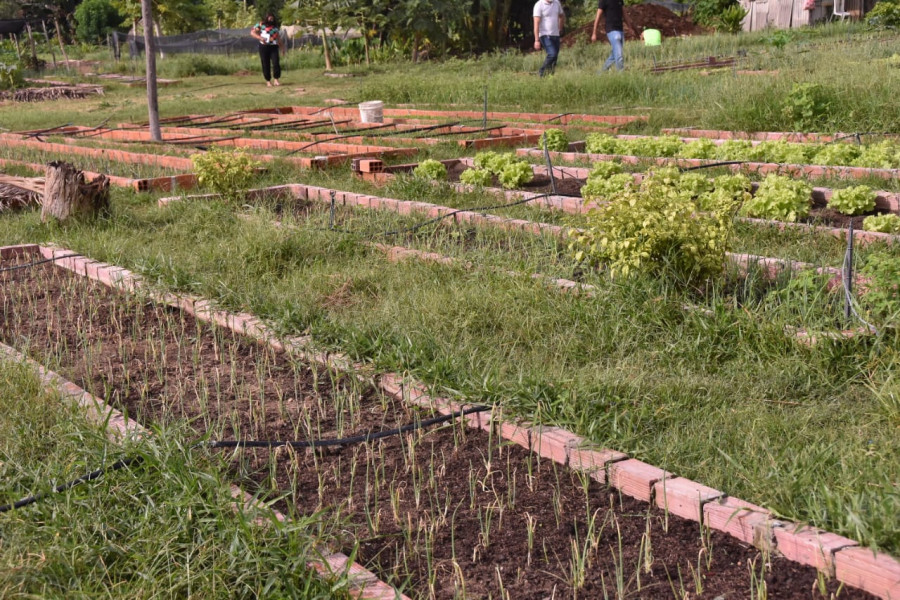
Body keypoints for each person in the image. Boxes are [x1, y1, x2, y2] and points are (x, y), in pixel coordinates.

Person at [533, 0, 565, 77]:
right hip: (545, 35)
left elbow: (561, 16)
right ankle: (541, 72)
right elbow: (536, 23)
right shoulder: (539, 5)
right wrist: (536, 40)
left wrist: (560, 28)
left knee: (555, 58)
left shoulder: (557, 3)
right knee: (552, 54)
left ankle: (550, 76)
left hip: (555, 34)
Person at [591, 0, 625, 72]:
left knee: (614, 55)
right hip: (611, 30)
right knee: (619, 55)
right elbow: (598, 17)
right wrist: (594, 33)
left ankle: (600, 73)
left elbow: (624, 14)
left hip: (620, 30)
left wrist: (631, 27)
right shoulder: (603, 1)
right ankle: (621, 75)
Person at [251, 14, 283, 86]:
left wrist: (282, 48)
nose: (271, 19)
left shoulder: (275, 27)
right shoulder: (261, 24)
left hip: (274, 46)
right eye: (270, 18)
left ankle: (276, 79)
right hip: (264, 46)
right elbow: (252, 33)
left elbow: (279, 39)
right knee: (265, 63)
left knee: (276, 62)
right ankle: (268, 81)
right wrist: (260, 38)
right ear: (266, 18)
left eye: (272, 18)